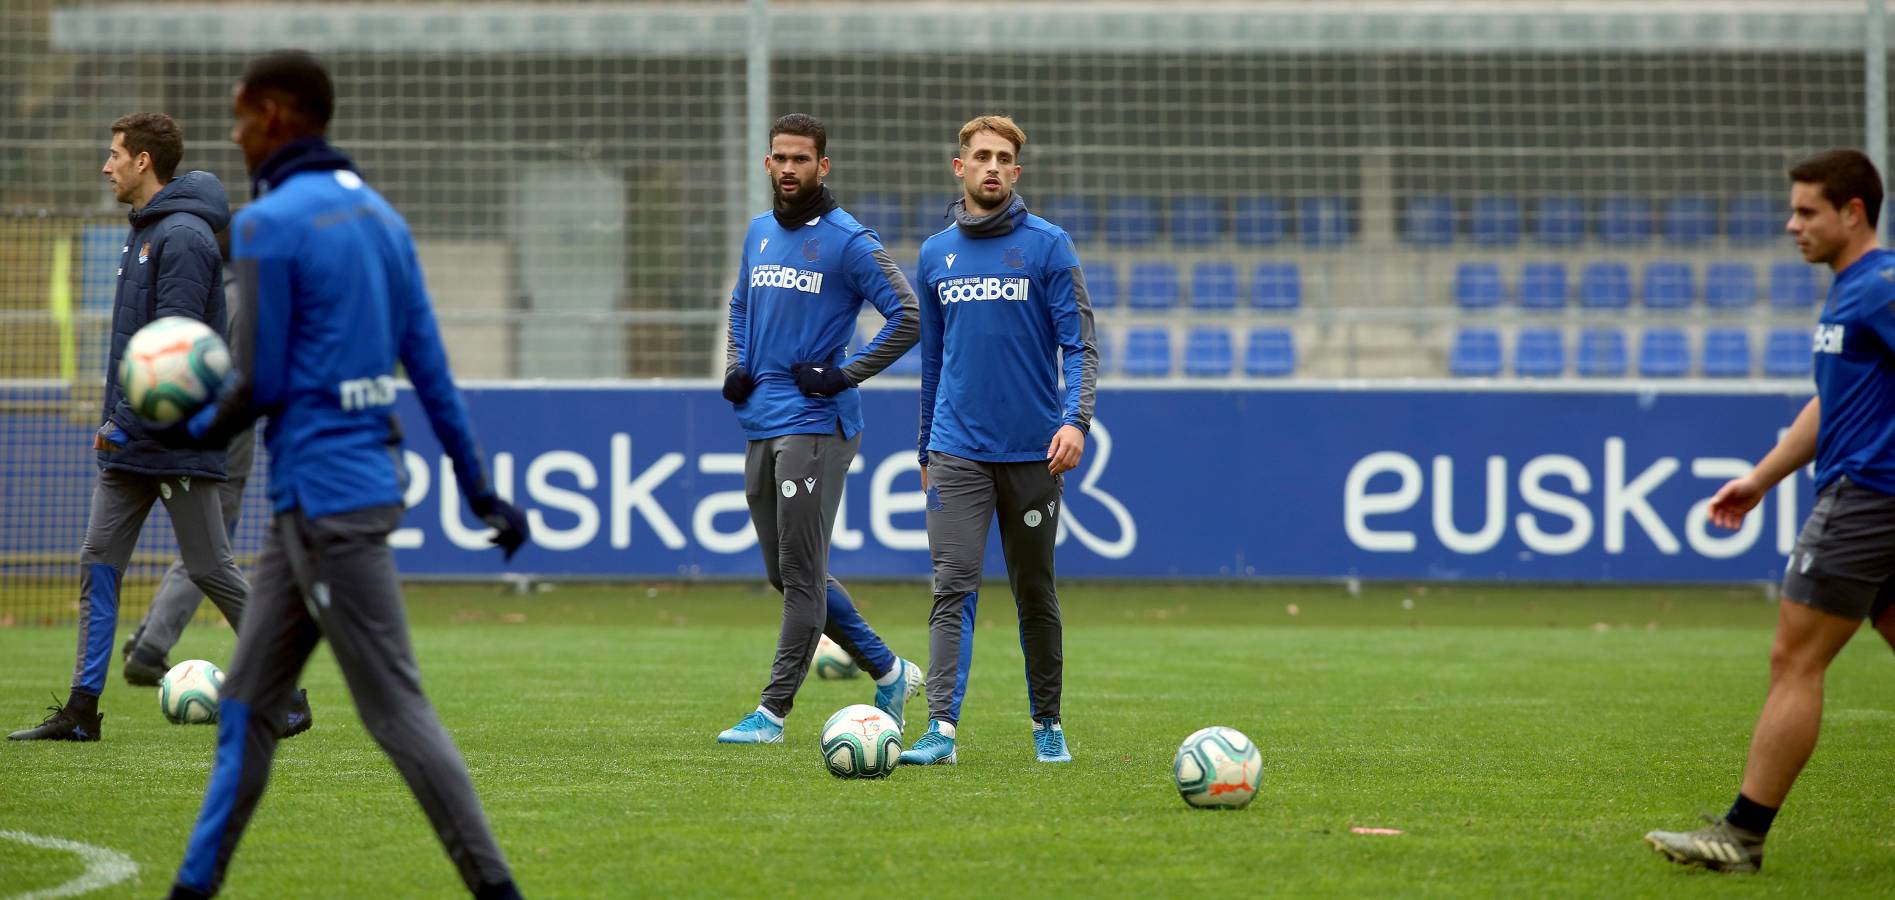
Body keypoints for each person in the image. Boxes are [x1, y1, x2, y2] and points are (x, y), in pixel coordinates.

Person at [158, 51, 530, 899]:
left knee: (395, 711)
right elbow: (430, 371)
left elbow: (259, 381)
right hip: (335, 503)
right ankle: (191, 887)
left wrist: (183, 427)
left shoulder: (268, 223)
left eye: (242, 116)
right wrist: (479, 491)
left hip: (326, 510)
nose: (235, 132)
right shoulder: (385, 221)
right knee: (247, 709)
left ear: (279, 116)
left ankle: (498, 889)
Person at [1646, 149, 1895, 873]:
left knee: (1794, 661)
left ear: (1853, 212)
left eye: (1806, 211)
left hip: (1866, 500)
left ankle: (1740, 835)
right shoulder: (1855, 291)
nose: (1791, 225)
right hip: (1875, 498)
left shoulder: (1877, 287)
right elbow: (1834, 401)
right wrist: (1758, 479)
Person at [8, 113, 253, 742]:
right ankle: (82, 711)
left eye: (115, 153)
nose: (106, 164)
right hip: (133, 446)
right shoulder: (145, 231)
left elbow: (172, 353)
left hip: (171, 443)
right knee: (99, 563)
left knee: (210, 568)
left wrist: (121, 418)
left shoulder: (183, 237)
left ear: (144, 161)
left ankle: (282, 691)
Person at [716, 112, 925, 744]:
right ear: (767, 163)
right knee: (785, 572)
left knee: (801, 575)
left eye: (800, 159)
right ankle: (890, 671)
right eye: (779, 158)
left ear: (822, 166)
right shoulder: (757, 233)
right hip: (762, 419)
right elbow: (740, 304)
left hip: (816, 423)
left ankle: (772, 713)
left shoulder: (849, 241)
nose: (788, 169)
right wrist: (735, 364)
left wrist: (844, 375)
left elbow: (907, 315)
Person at [899, 115, 1097, 767]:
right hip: (955, 451)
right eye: (979, 155)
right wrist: (925, 446)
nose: (990, 165)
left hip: (1032, 454)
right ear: (959, 168)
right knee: (951, 585)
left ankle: (1047, 723)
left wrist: (1075, 421)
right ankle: (940, 730)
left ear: (1016, 172)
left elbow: (1079, 345)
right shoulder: (934, 255)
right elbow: (932, 362)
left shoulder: (1048, 246)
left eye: (1002, 157)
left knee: (1033, 589)